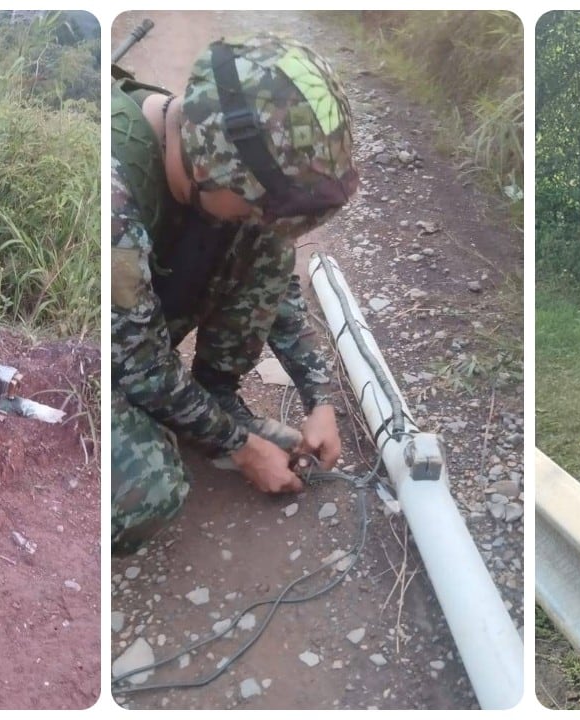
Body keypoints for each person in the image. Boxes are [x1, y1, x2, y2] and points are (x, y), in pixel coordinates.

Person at [110, 33, 360, 554]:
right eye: (256, 205)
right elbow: (141, 365)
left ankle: (212, 400)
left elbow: (277, 292)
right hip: (89, 355)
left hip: (138, 333)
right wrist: (240, 447)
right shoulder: (110, 197)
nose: (263, 221)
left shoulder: (204, 149)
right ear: (208, 164)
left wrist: (322, 397)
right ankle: (196, 422)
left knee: (265, 244)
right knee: (147, 494)